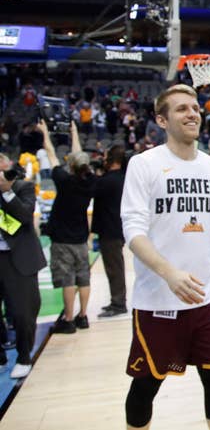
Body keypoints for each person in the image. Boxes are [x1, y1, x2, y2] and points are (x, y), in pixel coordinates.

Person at [120, 85, 210, 430]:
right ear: (161, 120)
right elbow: (134, 232)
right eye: (182, 109)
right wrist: (169, 273)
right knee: (145, 386)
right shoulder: (144, 164)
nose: (192, 114)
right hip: (158, 299)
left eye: (195, 107)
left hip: (208, 300)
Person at [39, 119, 96, 334]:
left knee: (68, 280)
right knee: (83, 277)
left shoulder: (64, 180)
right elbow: (79, 157)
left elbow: (51, 154)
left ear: (71, 165)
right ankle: (83, 316)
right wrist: (74, 132)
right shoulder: (90, 181)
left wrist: (45, 133)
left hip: (63, 239)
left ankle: (69, 319)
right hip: (81, 237)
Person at [0, 153, 45, 379]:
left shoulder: (23, 188)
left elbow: (25, 217)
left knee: (22, 312)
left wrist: (6, 192)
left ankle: (24, 356)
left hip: (17, 258)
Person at [92, 143, 129, 318]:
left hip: (110, 229)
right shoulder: (123, 178)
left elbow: (93, 188)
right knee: (115, 267)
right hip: (117, 227)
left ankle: (118, 303)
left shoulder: (108, 180)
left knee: (114, 268)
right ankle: (117, 301)